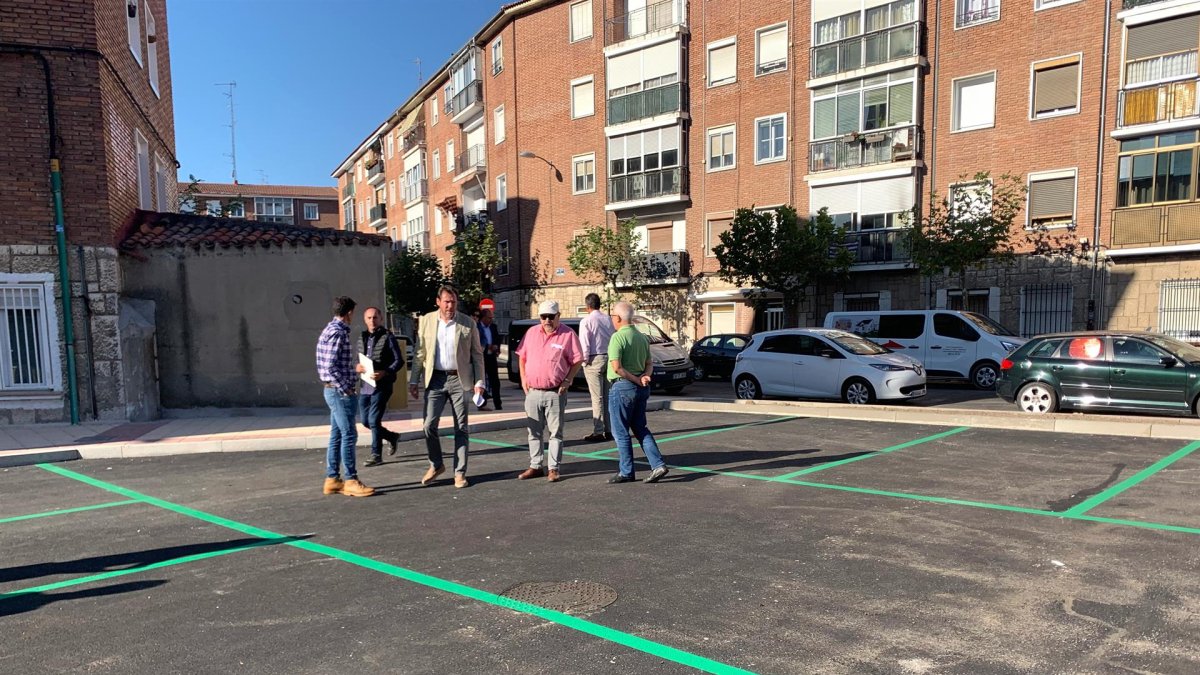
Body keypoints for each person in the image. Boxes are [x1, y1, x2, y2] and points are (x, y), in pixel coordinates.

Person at [409, 286, 485, 489]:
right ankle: (436, 464)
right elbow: (419, 352)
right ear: (438, 302)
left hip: (459, 380)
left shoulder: (467, 323)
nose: (450, 306)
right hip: (435, 379)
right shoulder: (426, 321)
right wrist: (414, 380)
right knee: (428, 425)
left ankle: (459, 473)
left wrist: (479, 383)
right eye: (446, 302)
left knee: (461, 427)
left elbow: (477, 355)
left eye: (453, 302)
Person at [516, 300, 583, 483]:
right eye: (543, 317)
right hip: (533, 392)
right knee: (534, 431)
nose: (547, 320)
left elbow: (578, 360)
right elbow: (522, 357)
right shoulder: (531, 333)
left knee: (555, 432)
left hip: (555, 392)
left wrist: (568, 380)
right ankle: (536, 465)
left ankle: (553, 468)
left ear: (558, 316)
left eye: (551, 317)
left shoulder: (567, 334)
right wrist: (523, 379)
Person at [315, 296, 374, 497]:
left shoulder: (328, 330)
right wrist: (346, 386)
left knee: (337, 434)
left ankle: (332, 479)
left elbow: (332, 364)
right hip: (338, 391)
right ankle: (350, 479)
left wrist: (350, 373)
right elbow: (331, 366)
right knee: (349, 434)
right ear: (348, 312)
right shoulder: (337, 333)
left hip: (332, 389)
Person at [606, 301, 669, 484]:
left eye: (612, 316)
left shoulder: (617, 338)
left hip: (622, 387)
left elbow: (616, 368)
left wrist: (634, 379)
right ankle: (657, 464)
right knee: (641, 428)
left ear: (617, 318)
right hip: (641, 389)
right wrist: (645, 377)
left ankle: (626, 471)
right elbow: (649, 364)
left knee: (621, 432)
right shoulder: (641, 337)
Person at [359, 306, 405, 467]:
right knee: (365, 421)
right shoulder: (362, 337)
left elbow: (399, 361)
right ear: (365, 320)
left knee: (373, 419)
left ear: (381, 319)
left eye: (375, 317)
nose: (372, 320)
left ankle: (375, 454)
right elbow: (360, 359)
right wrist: (357, 367)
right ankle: (392, 437)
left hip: (382, 385)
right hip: (365, 385)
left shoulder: (388, 337)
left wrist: (385, 372)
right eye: (369, 318)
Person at [578, 292, 615, 443]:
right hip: (609, 357)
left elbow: (584, 343)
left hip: (594, 358)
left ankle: (598, 431)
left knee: (597, 398)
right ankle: (609, 430)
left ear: (587, 306)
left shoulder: (586, 321)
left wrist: (583, 361)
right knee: (607, 397)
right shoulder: (608, 319)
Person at [477, 308, 503, 410]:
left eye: (492, 318)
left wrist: (497, 349)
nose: (491, 320)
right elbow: (477, 342)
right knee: (481, 381)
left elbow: (497, 339)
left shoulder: (493, 327)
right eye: (489, 318)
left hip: (491, 357)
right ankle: (482, 404)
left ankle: (498, 404)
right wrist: (488, 347)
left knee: (495, 381)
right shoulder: (477, 327)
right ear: (483, 318)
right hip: (481, 358)